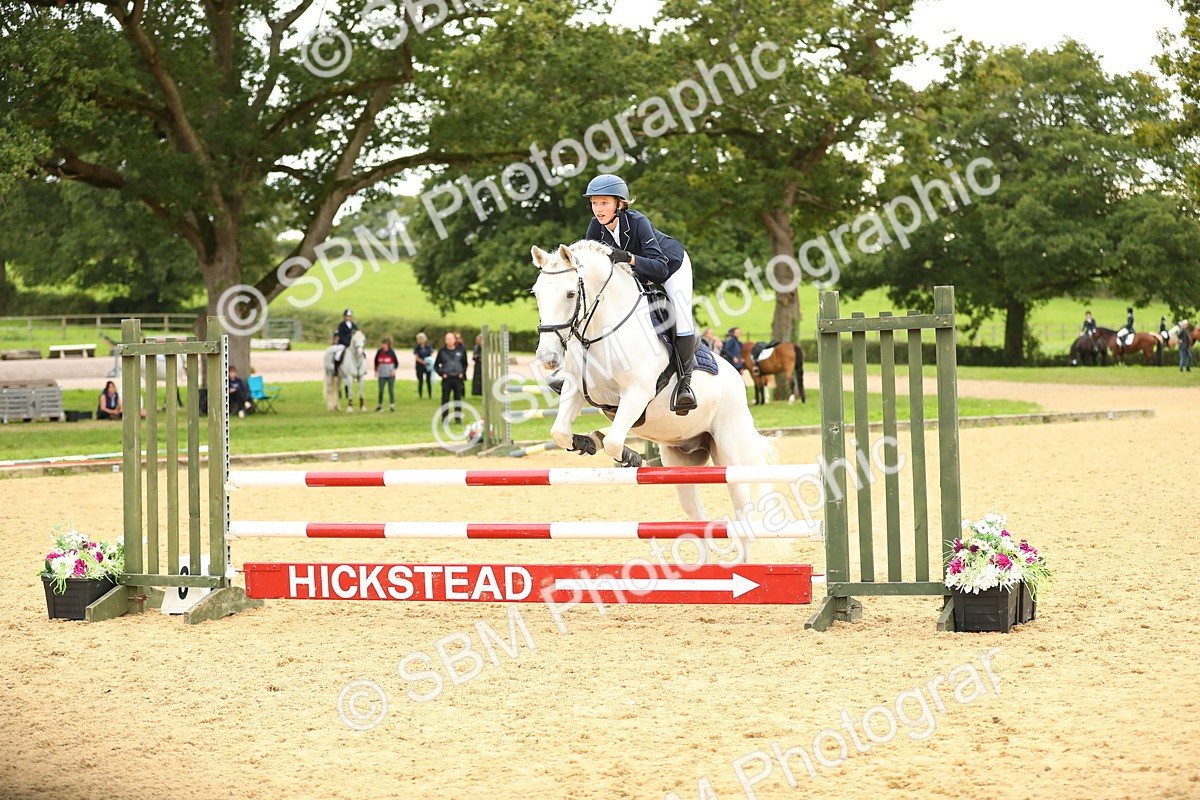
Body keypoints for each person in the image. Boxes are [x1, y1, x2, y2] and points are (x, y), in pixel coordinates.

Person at [582, 174, 698, 413]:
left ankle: (685, 385)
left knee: (683, 317)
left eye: (604, 202)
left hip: (672, 266)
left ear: (620, 204)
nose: (598, 209)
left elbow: (660, 266)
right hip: (638, 274)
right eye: (595, 203)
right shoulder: (595, 227)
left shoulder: (637, 221)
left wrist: (629, 258)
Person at [434, 331, 467, 423]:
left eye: (451, 339)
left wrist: (462, 373)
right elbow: (436, 365)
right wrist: (442, 374)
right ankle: (445, 418)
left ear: (454, 340)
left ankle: (458, 418)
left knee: (458, 398)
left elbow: (465, 363)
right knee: (445, 399)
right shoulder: (442, 351)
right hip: (447, 378)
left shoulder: (460, 350)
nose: (449, 341)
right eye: (447, 339)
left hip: (457, 378)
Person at [374, 337, 398, 412]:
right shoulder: (379, 352)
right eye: (382, 344)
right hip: (381, 374)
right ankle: (380, 405)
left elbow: (396, 363)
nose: (383, 346)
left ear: (388, 345)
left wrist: (393, 370)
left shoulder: (391, 352)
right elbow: (376, 362)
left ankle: (392, 405)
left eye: (384, 344)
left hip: (390, 374)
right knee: (381, 390)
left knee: (391, 390)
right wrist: (376, 371)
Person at [333, 309, 359, 374]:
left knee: (361, 353)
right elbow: (340, 335)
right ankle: (335, 371)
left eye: (349, 316)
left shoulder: (354, 325)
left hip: (352, 345)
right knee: (337, 355)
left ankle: (359, 370)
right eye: (347, 316)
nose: (348, 317)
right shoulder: (341, 325)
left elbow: (357, 334)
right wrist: (346, 343)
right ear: (344, 317)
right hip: (343, 344)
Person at [413, 332, 433, 398]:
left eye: (422, 338)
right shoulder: (417, 347)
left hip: (428, 365)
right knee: (420, 380)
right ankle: (420, 395)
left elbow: (431, 355)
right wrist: (423, 362)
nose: (421, 340)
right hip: (419, 365)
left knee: (428, 380)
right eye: (419, 338)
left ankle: (430, 395)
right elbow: (416, 357)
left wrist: (428, 362)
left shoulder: (428, 346)